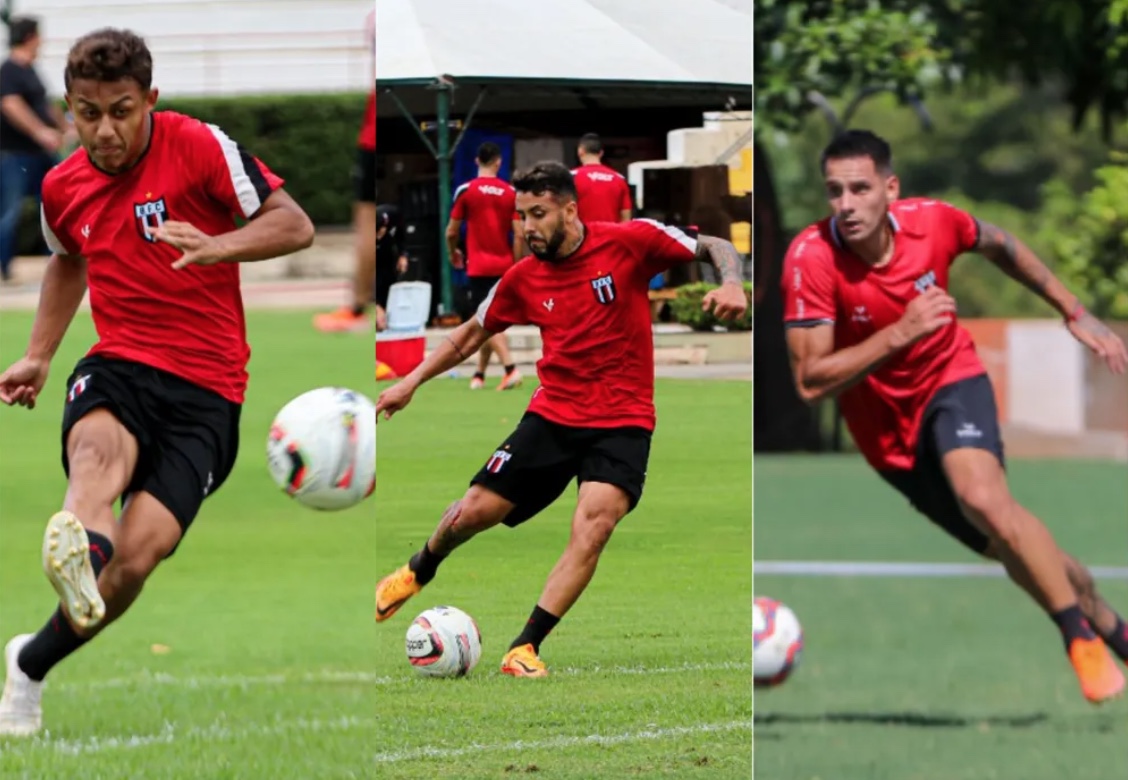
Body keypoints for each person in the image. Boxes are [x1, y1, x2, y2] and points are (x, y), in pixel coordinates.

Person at [0, 28, 314, 736]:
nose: (104, 130)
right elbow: (67, 261)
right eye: (86, 112)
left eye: (120, 110)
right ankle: (80, 543)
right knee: (95, 465)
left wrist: (219, 246)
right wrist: (41, 355)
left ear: (150, 101)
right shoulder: (62, 185)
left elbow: (292, 224)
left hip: (209, 389)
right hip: (119, 365)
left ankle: (30, 662)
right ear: (69, 108)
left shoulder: (199, 144)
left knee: (137, 561)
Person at [781, 129, 1128, 705]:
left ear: (890, 189)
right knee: (1012, 545)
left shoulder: (935, 222)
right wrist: (900, 331)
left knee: (986, 499)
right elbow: (810, 381)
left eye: (860, 189)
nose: (846, 204)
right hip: (888, 440)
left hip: (951, 380)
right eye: (834, 191)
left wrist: (1075, 311)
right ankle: (1111, 629)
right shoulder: (811, 258)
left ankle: (1077, 637)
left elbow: (1001, 245)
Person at [374, 161, 748, 677]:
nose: (527, 227)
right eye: (520, 216)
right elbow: (468, 334)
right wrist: (410, 381)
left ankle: (525, 646)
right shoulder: (522, 278)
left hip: (623, 421)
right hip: (553, 416)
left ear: (569, 210)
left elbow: (715, 246)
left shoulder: (630, 242)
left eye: (538, 214)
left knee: (594, 526)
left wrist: (732, 283)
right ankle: (420, 567)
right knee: (474, 512)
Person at [314, 9, 377, 334]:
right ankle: (365, 305)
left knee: (366, 223)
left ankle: (357, 307)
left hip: (373, 134)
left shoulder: (380, 16)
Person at [0, 16, 73, 282]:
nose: (41, 41)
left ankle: (59, 262)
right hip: (15, 154)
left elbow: (44, 103)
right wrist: (40, 132)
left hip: (39, 155)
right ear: (30, 37)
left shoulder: (30, 70)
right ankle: (2, 269)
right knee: (9, 212)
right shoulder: (9, 69)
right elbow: (11, 105)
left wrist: (66, 128)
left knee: (56, 205)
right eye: (38, 36)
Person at [446, 142, 524, 390]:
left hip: (478, 267)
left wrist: (453, 252)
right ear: (499, 163)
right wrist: (518, 265)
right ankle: (479, 374)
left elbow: (451, 231)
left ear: (477, 161)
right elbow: (520, 234)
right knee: (486, 319)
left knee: (487, 320)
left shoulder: (466, 191)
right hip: (504, 265)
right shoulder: (510, 192)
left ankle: (510, 368)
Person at [571, 133, 632, 224]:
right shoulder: (619, 179)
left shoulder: (570, 177)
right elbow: (626, 219)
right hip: (612, 236)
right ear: (601, 153)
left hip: (583, 236)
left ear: (580, 151)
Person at [375, 203, 408, 333]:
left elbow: (402, 236)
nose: (378, 236)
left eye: (379, 232)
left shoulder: (393, 214)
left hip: (387, 255)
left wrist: (403, 255)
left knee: (389, 281)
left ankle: (388, 318)